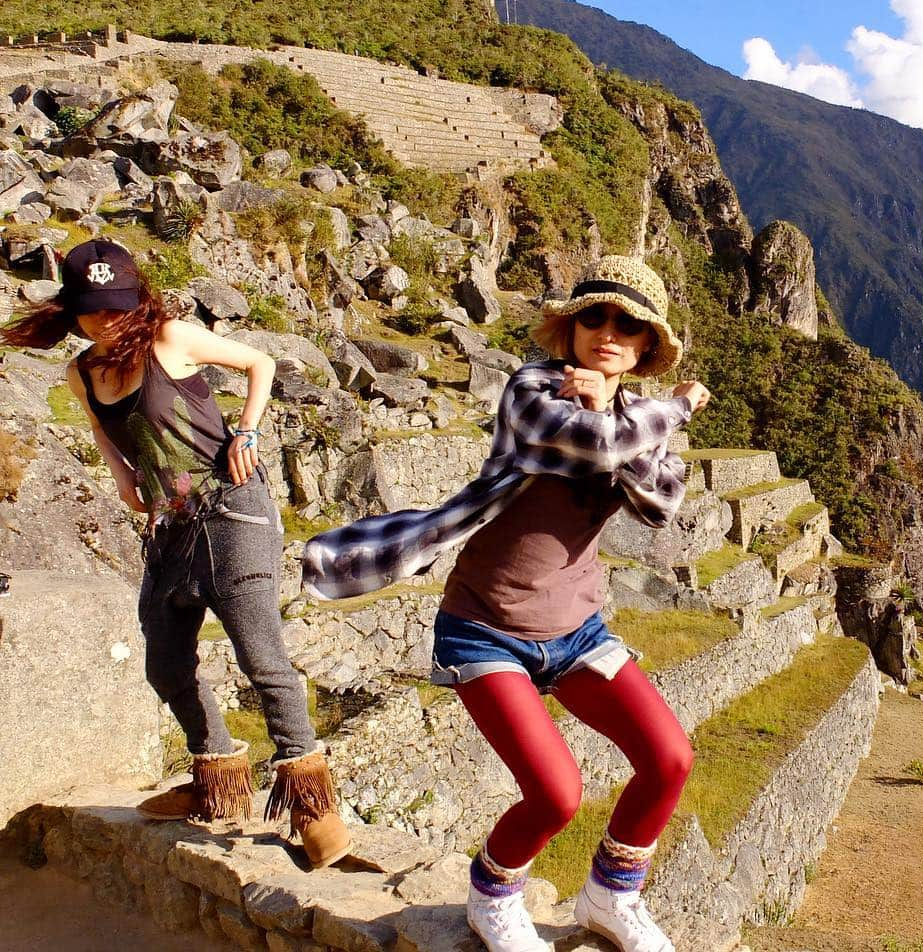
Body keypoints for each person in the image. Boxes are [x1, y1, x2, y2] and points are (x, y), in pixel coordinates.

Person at [304, 255, 710, 951]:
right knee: (557, 795)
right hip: (485, 630)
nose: (607, 331)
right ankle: (492, 895)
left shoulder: (637, 417)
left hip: (577, 631)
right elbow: (592, 443)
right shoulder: (532, 390)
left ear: (645, 347)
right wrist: (674, 408)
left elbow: (661, 502)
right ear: (571, 327)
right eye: (594, 316)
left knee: (669, 757)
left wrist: (636, 415)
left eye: (628, 323)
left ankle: (610, 896)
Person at [1, 239, 350, 868]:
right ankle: (218, 776)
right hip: (170, 528)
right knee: (164, 662)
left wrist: (246, 430)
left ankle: (313, 803)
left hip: (233, 508)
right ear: (73, 309)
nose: (105, 320)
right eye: (92, 309)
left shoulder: (170, 338)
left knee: (262, 657)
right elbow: (104, 435)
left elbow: (259, 362)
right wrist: (119, 477)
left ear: (136, 300)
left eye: (116, 306)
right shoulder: (81, 373)